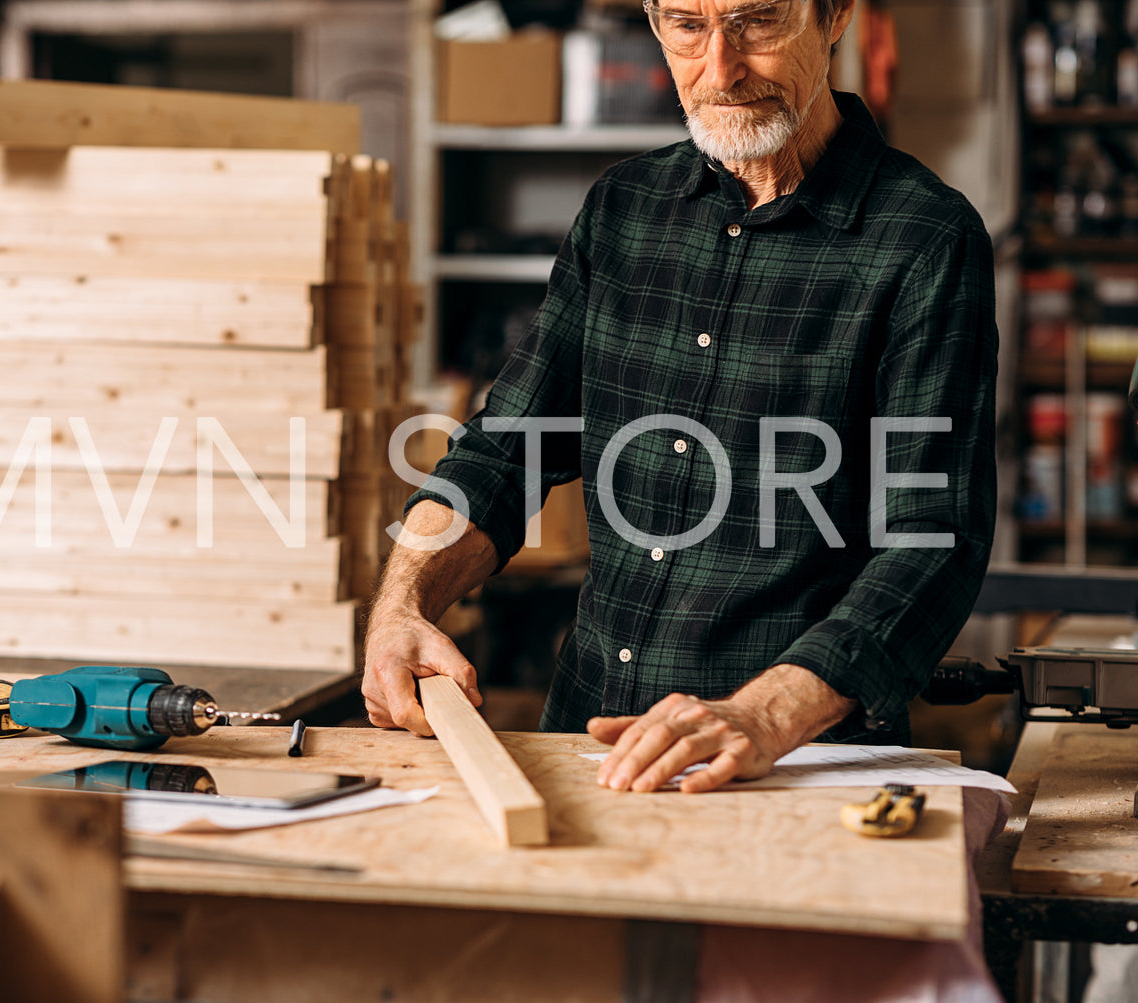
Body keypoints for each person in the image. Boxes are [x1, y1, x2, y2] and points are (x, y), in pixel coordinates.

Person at [364, 0, 998, 794]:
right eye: (686, 25)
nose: (720, 69)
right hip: (586, 749)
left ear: (833, 16)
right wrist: (403, 603)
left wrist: (763, 714)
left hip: (791, 767)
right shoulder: (622, 209)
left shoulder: (924, 238)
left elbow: (930, 540)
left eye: (758, 21)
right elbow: (505, 447)